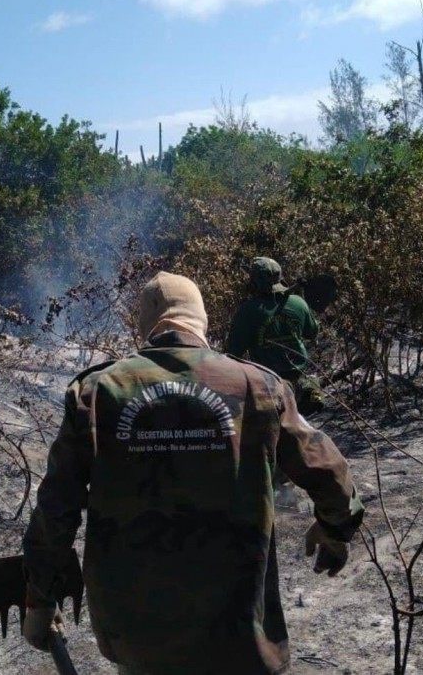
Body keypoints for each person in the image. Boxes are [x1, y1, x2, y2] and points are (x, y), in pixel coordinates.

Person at [21, 271, 364, 674]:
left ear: (146, 324)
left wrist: (40, 599)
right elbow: (326, 469)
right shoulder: (260, 386)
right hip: (238, 625)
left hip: (136, 631)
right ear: (201, 320)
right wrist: (335, 530)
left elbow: (56, 508)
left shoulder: (97, 392)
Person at [226, 257, 325, 417]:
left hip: (267, 385)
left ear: (255, 282)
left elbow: (232, 353)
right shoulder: (298, 302)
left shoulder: (248, 310)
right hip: (299, 379)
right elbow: (312, 332)